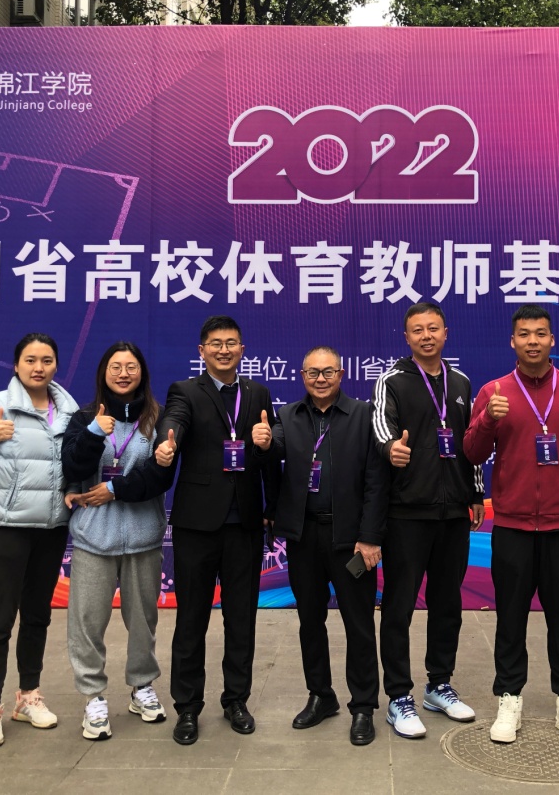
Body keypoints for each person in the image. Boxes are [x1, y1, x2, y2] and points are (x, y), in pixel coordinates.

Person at [464, 304, 559, 745]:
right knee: (510, 618)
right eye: (524, 334)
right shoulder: (494, 391)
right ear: (512, 341)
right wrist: (488, 419)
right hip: (513, 526)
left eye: (540, 333)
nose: (532, 341)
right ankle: (509, 697)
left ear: (552, 339)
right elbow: (471, 452)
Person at [156, 316, 281, 746]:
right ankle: (188, 707)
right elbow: (174, 422)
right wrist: (167, 442)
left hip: (244, 523)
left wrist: (267, 445)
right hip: (197, 525)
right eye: (215, 343)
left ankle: (236, 700)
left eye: (231, 343)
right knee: (191, 618)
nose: (223, 350)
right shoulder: (185, 391)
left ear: (242, 349)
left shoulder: (258, 393)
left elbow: (269, 456)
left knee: (241, 618)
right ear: (202, 351)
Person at [0, 333, 78, 749]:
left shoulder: (69, 409)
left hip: (51, 527)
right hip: (4, 525)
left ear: (56, 365)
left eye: (47, 360)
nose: (39, 367)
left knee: (37, 615)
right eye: (30, 360)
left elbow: (78, 461)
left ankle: (28, 697)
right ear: (17, 364)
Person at [371, 302, 484, 739]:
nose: (426, 336)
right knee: (398, 607)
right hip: (407, 512)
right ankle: (399, 696)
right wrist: (390, 449)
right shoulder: (393, 380)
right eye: (417, 330)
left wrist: (475, 492)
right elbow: (381, 427)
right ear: (407, 338)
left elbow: (471, 443)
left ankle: (439, 685)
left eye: (432, 328)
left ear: (445, 332)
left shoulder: (461, 383)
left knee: (447, 604)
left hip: (453, 511)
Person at [267, 346, 388, 746]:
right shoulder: (287, 416)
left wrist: (370, 536)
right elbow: (274, 453)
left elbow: (376, 481)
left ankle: (363, 705)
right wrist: (263, 443)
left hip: (351, 539)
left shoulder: (364, 416)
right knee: (310, 621)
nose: (320, 379)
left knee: (359, 624)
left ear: (341, 374)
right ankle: (321, 695)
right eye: (313, 373)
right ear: (302, 376)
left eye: (328, 372)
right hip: (304, 537)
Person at [62, 342, 172, 740]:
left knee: (143, 621)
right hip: (94, 539)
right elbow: (72, 465)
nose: (123, 373)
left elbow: (160, 477)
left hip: (143, 538)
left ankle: (142, 686)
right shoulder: (84, 417)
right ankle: (93, 696)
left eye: (131, 366)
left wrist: (113, 489)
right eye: (115, 367)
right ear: (103, 373)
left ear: (142, 372)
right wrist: (94, 432)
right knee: (87, 621)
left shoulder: (158, 418)